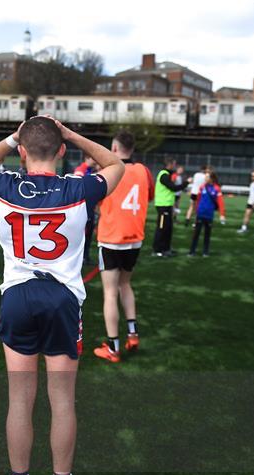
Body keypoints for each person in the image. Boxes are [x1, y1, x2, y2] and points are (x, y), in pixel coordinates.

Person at [0, 116, 125, 475]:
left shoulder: (3, 185)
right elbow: (116, 165)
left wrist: (12, 137)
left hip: (18, 296)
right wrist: (72, 135)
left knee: (20, 400)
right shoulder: (80, 187)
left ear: (22, 152)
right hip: (61, 300)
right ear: (61, 151)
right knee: (62, 401)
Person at [93, 130, 154, 363]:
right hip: (134, 238)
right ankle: (133, 334)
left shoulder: (108, 172)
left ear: (115, 149)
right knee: (126, 284)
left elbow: (96, 201)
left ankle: (113, 347)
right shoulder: (144, 171)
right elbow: (146, 197)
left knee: (110, 292)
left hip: (110, 239)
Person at [152, 157, 190, 256]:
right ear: (169, 164)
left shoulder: (167, 174)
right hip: (162, 206)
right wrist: (186, 183)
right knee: (161, 228)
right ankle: (157, 250)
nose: (175, 166)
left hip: (167, 205)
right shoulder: (164, 175)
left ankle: (166, 249)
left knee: (168, 228)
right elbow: (173, 188)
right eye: (174, 164)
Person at [189, 170, 226, 257]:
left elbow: (221, 203)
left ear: (212, 178)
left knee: (207, 234)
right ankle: (192, 251)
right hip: (200, 213)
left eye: (207, 177)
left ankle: (205, 252)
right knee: (196, 234)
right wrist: (196, 211)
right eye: (205, 176)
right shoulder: (202, 187)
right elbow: (198, 200)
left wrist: (222, 215)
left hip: (209, 215)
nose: (205, 178)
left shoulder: (217, 188)